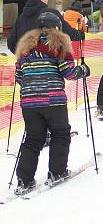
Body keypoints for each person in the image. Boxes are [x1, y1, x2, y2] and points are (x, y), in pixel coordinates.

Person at [12, 12, 91, 195]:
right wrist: (83, 70)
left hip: (29, 103)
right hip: (53, 100)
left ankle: (24, 179)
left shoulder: (25, 47)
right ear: (57, 27)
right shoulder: (59, 44)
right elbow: (68, 72)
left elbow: (19, 76)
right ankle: (57, 171)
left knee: (33, 139)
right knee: (61, 134)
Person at [7, 0, 84, 55]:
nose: (47, 0)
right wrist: (81, 34)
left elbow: (11, 42)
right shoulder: (51, 14)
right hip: (50, 63)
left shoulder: (21, 18)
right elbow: (68, 32)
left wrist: (23, 57)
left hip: (27, 66)